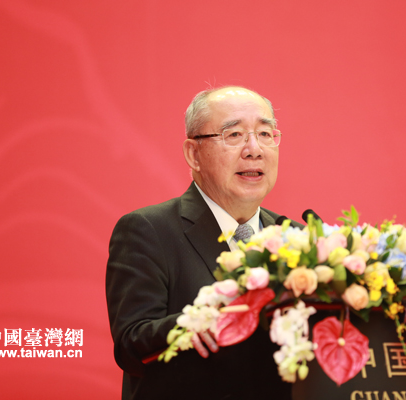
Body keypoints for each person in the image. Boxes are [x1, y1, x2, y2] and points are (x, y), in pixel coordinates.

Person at [106, 86, 296, 399]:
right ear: (194, 154)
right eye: (234, 135)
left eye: (265, 134)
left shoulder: (294, 238)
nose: (254, 149)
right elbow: (130, 344)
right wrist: (196, 323)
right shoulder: (149, 230)